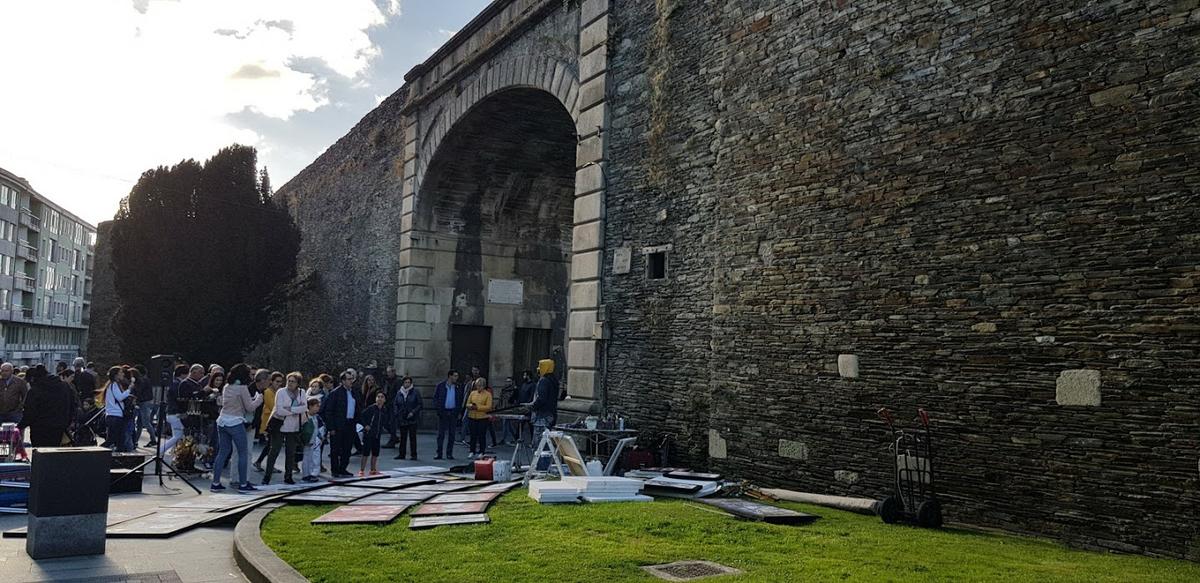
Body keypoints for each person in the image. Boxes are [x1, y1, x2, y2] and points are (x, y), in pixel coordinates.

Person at [211, 364, 262, 492]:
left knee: (222, 452)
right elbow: (250, 407)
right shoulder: (242, 388)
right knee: (243, 453)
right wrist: (258, 400)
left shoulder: (227, 386)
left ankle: (215, 483)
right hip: (235, 422)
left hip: (222, 421)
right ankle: (243, 484)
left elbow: (234, 402)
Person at [262, 372, 307, 485]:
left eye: (293, 381)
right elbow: (279, 410)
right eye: (289, 381)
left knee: (290, 452)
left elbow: (304, 407)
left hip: (294, 427)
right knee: (274, 451)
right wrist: (296, 410)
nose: (290, 383)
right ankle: (267, 476)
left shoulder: (302, 392)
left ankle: (288, 476)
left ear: (298, 383)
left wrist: (291, 409)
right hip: (280, 425)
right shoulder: (281, 392)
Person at [19, 367, 76, 447]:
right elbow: (72, 405)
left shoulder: (35, 390)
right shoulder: (64, 386)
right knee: (55, 453)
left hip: (39, 429)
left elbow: (29, 412)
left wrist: (20, 426)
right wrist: (67, 422)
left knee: (40, 454)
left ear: (32, 379)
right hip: (59, 427)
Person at [320, 370, 358, 478]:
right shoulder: (335, 393)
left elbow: (358, 408)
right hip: (337, 426)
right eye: (349, 379)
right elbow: (328, 411)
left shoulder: (354, 392)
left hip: (350, 424)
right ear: (343, 381)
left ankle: (343, 468)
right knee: (335, 449)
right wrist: (331, 427)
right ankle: (335, 470)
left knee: (347, 449)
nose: (351, 381)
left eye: (352, 379)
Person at [253, 371, 284, 472]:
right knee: (272, 445)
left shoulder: (277, 392)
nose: (279, 384)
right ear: (272, 381)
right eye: (277, 381)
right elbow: (273, 406)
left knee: (271, 445)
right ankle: (266, 464)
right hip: (268, 423)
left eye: (280, 382)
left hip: (276, 422)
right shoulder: (267, 392)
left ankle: (260, 462)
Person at [526, 359, 559, 445]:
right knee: (547, 443)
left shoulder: (543, 381)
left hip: (542, 416)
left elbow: (541, 399)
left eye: (540, 367)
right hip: (551, 414)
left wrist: (532, 406)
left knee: (539, 444)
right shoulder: (554, 381)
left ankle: (540, 458)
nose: (538, 369)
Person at [101, 366, 134, 452]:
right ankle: (97, 451)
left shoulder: (111, 385)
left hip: (112, 416)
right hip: (115, 416)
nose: (123, 374)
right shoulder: (114, 385)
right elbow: (119, 397)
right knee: (115, 439)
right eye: (120, 373)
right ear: (116, 375)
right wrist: (129, 390)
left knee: (117, 439)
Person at [432, 370, 462, 460]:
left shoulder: (458, 386)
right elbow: (435, 398)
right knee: (441, 434)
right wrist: (438, 409)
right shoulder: (440, 386)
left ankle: (449, 453)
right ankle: (439, 453)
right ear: (450, 376)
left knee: (452, 434)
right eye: (455, 376)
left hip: (453, 412)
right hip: (443, 412)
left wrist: (458, 411)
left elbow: (460, 399)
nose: (456, 378)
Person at [357, 391, 387, 476]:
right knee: (365, 453)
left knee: (375, 453)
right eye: (378, 397)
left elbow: (384, 420)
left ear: (385, 400)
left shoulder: (384, 409)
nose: (380, 399)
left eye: (382, 397)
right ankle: (361, 470)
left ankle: (373, 469)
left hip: (377, 435)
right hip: (368, 434)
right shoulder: (371, 408)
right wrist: (365, 425)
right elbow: (362, 416)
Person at [392, 376, 422, 461]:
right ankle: (402, 454)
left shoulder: (415, 392)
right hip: (402, 417)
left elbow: (419, 404)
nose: (407, 384)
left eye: (409, 382)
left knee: (413, 437)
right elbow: (395, 404)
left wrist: (413, 412)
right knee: (403, 437)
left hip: (412, 417)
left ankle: (413, 454)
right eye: (406, 382)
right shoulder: (399, 393)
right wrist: (397, 413)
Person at [466, 377, 493, 458]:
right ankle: (472, 451)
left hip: (482, 417)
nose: (478, 387)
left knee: (482, 435)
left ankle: (482, 451)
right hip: (472, 416)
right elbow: (467, 403)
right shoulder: (472, 393)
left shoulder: (488, 394)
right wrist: (470, 406)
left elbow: (488, 407)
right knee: (472, 435)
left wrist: (477, 407)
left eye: (480, 386)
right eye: (477, 385)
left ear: (484, 386)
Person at [300, 397, 325, 483]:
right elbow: (302, 429)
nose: (318, 408)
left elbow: (317, 428)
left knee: (311, 458)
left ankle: (310, 473)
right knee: (306, 458)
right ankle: (305, 475)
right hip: (307, 441)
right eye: (316, 406)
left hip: (313, 440)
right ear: (310, 406)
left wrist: (320, 437)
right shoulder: (305, 415)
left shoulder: (316, 417)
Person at [131, 365, 157, 448]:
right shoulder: (146, 380)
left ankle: (152, 440)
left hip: (142, 402)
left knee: (144, 422)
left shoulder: (142, 380)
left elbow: (138, 391)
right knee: (141, 423)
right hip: (145, 401)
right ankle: (136, 441)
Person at [457, 366, 480, 445]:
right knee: (465, 421)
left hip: (475, 404)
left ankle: (472, 439)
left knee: (472, 422)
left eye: (476, 370)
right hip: (468, 403)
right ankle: (463, 438)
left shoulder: (479, 381)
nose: (474, 372)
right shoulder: (470, 381)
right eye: (473, 370)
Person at [381, 366, 401, 448]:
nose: (388, 373)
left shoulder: (398, 381)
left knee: (392, 423)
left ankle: (392, 440)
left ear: (393, 372)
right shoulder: (387, 381)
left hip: (393, 405)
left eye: (389, 372)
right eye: (387, 372)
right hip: (387, 404)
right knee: (385, 422)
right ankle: (394, 437)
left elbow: (398, 394)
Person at [499, 376, 519, 446]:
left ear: (512, 382)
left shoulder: (514, 389)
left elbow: (515, 399)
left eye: (509, 381)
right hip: (504, 408)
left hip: (510, 408)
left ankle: (508, 438)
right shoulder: (503, 389)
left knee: (508, 424)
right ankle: (513, 438)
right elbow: (500, 398)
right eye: (507, 381)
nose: (508, 383)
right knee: (507, 424)